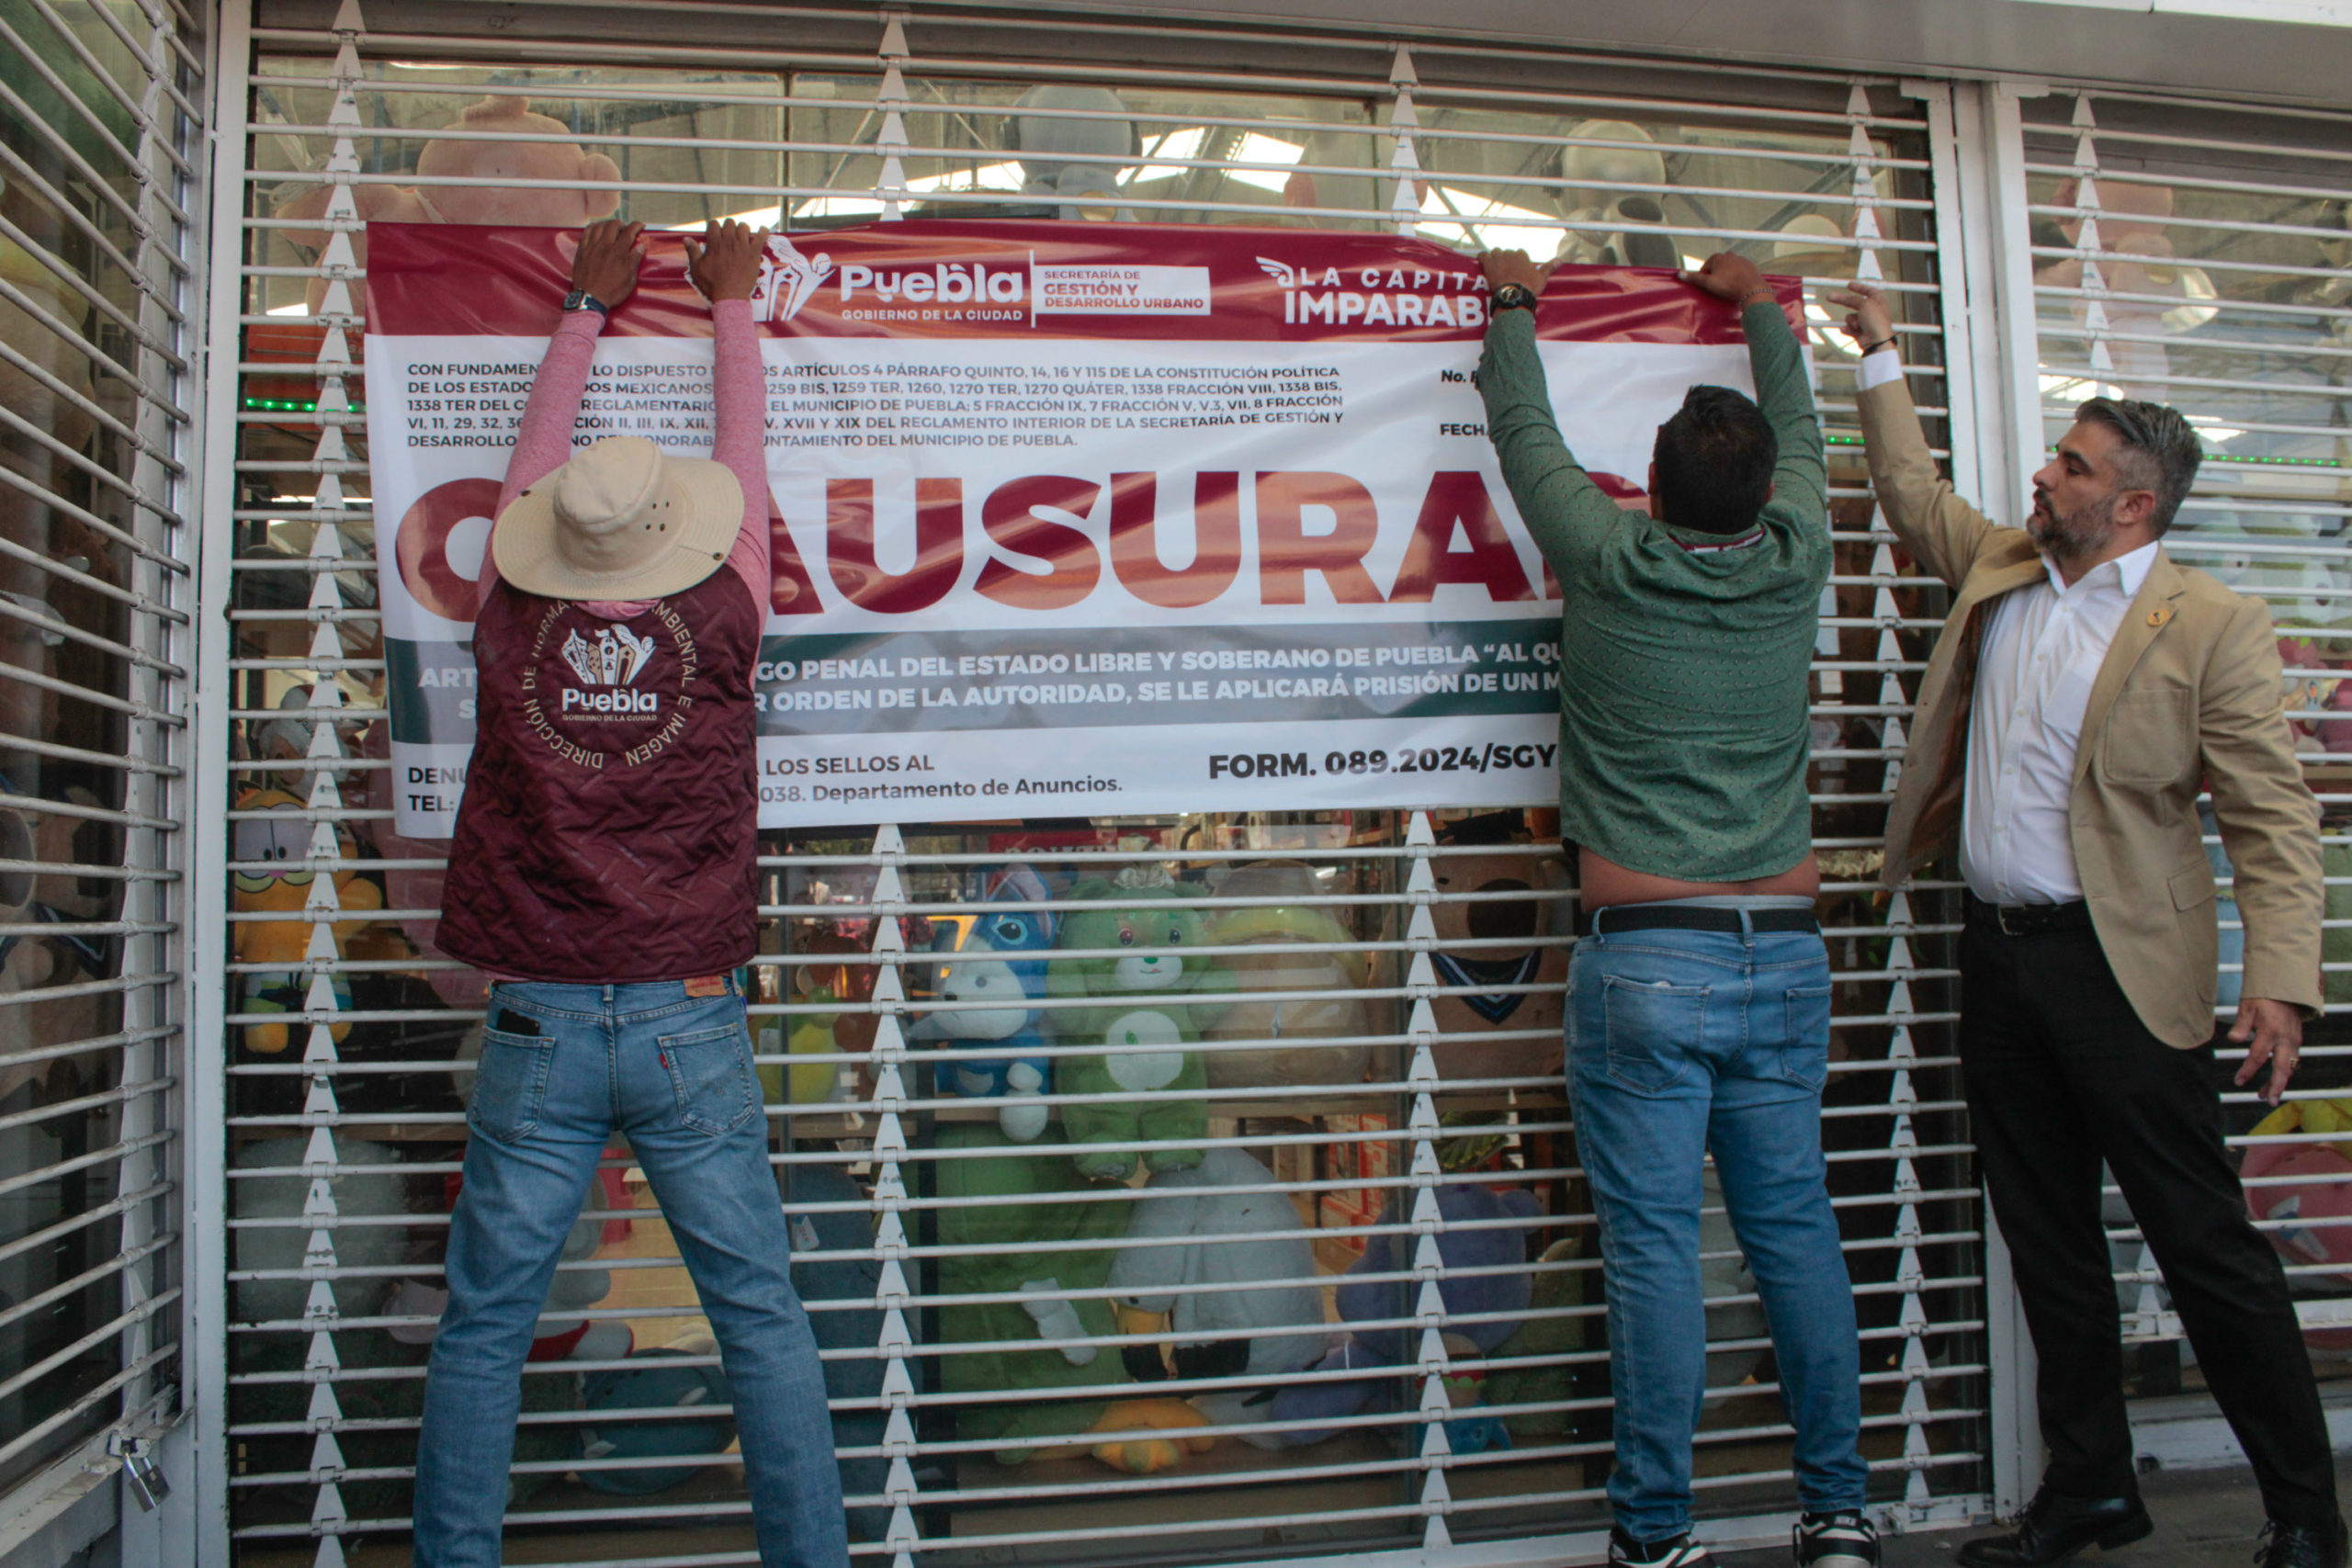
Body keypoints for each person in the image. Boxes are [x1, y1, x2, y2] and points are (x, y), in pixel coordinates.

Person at [1831, 279, 2339, 1568]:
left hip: (2124, 973)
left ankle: (2306, 1513)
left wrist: (2279, 980)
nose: (2044, 479)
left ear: (2135, 506)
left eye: (2071, 466)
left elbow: (2273, 818)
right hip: (1999, 963)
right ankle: (2093, 1494)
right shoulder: (2009, 569)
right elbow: (1912, 497)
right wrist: (1884, 353)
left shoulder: (2211, 626)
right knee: (2049, 1242)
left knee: (2203, 1244)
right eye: (2056, 458)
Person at [412, 218, 850, 1568]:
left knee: (486, 1322)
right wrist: (731, 308)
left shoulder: (503, 608)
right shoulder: (730, 602)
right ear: (680, 533)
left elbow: (537, 472)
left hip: (538, 1013)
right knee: (760, 1317)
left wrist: (583, 308)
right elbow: (745, 460)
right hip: (690, 1011)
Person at [1478, 247, 1876, 1568]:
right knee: (1794, 1233)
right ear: (1766, 494)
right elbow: (1805, 420)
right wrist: (1764, 301)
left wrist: (1513, 301)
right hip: (1786, 954)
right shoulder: (1800, 553)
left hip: (1647, 960)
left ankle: (1654, 1535)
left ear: (1645, 489)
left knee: (1655, 1254)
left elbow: (1520, 429)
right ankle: (1839, 1514)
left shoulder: (1604, 556)